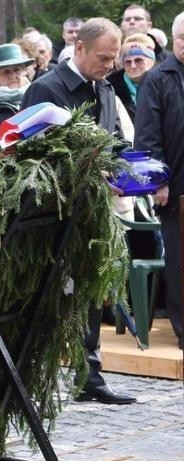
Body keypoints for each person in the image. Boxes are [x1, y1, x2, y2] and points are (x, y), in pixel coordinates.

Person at [21, 17, 136, 405]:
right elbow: (29, 155)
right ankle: (20, 376)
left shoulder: (103, 88)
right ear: (80, 48)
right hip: (52, 214)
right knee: (45, 298)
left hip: (91, 211)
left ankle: (90, 376)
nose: (109, 66)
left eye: (114, 59)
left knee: (88, 291)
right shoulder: (45, 88)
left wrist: (129, 169)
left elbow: (113, 141)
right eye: (104, 57)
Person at [134, 11, 184, 349]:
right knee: (181, 262)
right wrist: (159, 182)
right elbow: (147, 137)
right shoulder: (159, 78)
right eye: (183, 39)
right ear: (172, 38)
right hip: (177, 188)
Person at [107, 34, 156, 123]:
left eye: (138, 60)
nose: (133, 66)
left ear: (151, 62)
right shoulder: (110, 86)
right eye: (128, 62)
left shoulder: (164, 83)